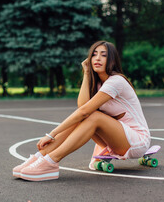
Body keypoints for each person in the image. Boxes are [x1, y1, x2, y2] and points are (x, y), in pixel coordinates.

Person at [12, 41, 151, 181]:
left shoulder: (116, 82)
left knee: (93, 116)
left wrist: (52, 134)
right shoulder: (98, 84)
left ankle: (51, 161)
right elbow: (83, 106)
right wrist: (86, 73)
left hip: (136, 141)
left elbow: (84, 111)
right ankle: (41, 156)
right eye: (94, 55)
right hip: (114, 139)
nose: (97, 58)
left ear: (112, 61)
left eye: (103, 55)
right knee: (85, 116)